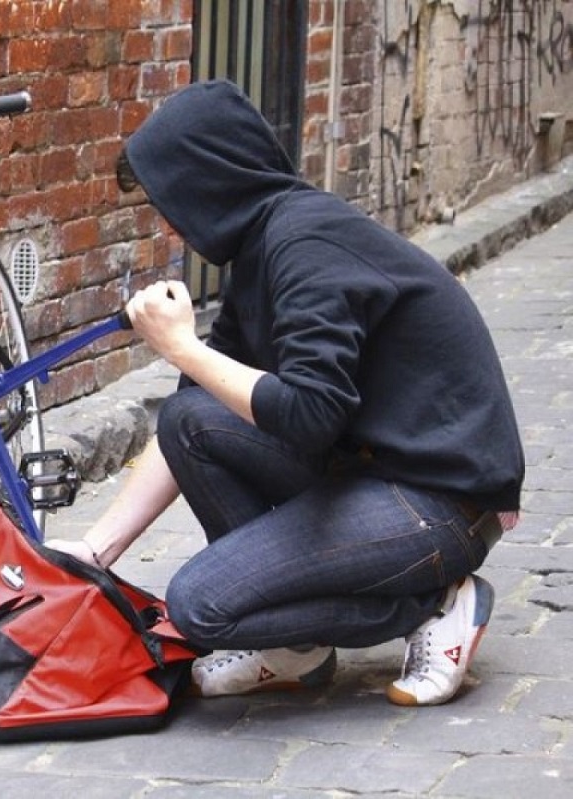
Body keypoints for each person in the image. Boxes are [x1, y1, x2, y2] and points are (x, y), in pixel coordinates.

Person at [46, 80, 524, 707]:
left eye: (171, 199)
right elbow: (201, 407)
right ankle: (296, 646)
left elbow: (309, 415)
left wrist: (182, 345)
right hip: (372, 471)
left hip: (442, 499)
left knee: (200, 607)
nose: (168, 222)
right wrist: (95, 549)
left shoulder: (305, 246)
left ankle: (436, 602)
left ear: (211, 181)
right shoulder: (261, 250)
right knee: (191, 418)